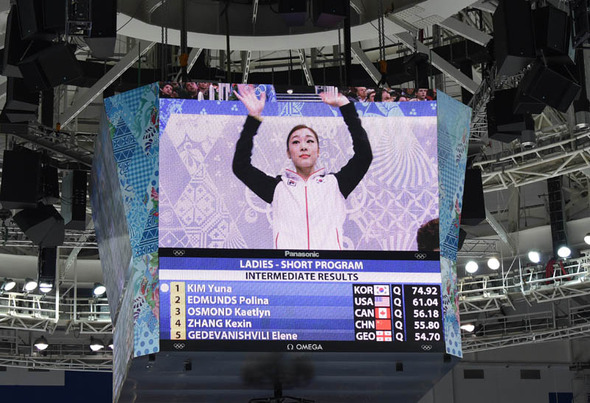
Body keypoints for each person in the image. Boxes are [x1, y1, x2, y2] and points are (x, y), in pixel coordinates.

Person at [232, 85, 373, 250]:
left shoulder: (335, 184)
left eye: (310, 141)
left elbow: (364, 155)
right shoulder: (278, 188)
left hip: (330, 272)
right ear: (288, 153)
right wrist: (253, 118)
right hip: (288, 271)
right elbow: (240, 166)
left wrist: (345, 105)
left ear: (318, 151)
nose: (303, 147)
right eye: (296, 142)